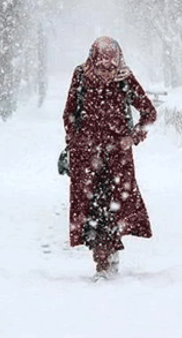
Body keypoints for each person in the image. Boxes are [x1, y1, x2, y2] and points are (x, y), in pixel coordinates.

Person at [62, 36, 157, 279]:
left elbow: (149, 112)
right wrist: (76, 142)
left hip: (117, 160)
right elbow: (69, 114)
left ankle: (107, 261)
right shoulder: (81, 76)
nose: (106, 73)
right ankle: (102, 259)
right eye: (102, 67)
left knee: (112, 209)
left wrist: (133, 137)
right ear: (93, 61)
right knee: (91, 211)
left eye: (111, 68)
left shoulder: (125, 79)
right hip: (86, 159)